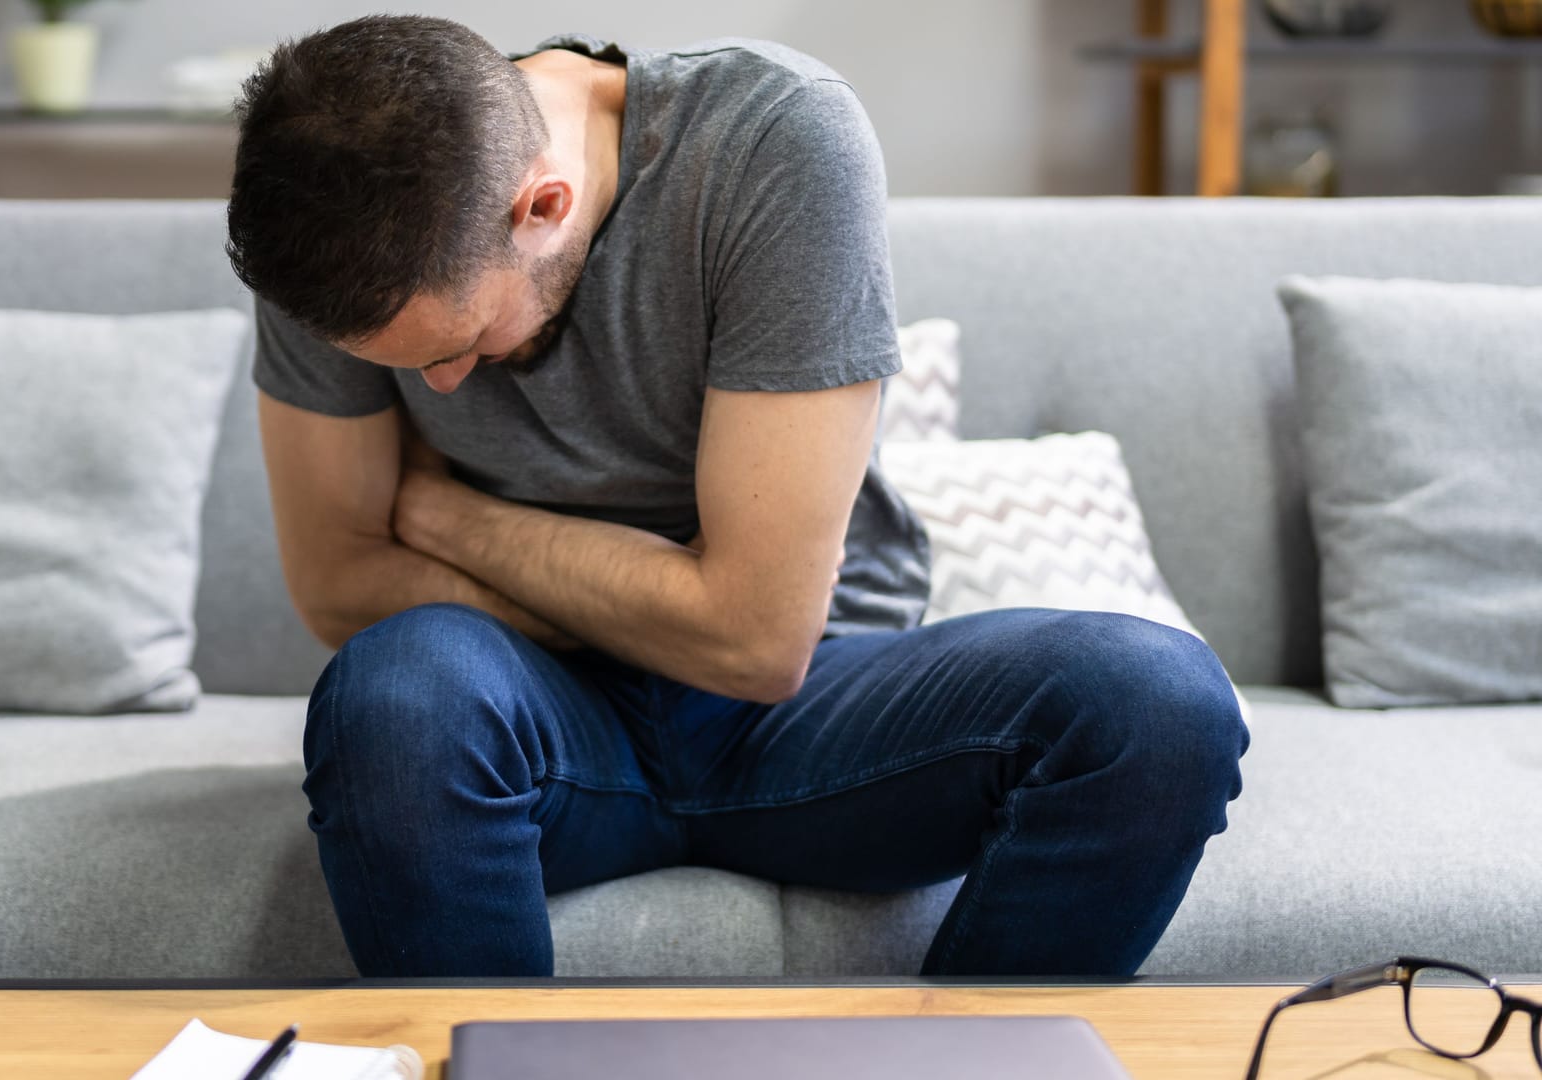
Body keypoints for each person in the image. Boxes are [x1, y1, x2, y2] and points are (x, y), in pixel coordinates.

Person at [224, 15, 1248, 978]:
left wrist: (444, 515)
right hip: (528, 710)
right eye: (410, 366)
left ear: (544, 205)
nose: (439, 385)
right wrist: (673, 606)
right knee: (391, 698)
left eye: (458, 346)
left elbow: (759, 641)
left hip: (814, 706)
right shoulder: (335, 221)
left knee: (1160, 707)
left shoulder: (775, 140)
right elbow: (341, 581)